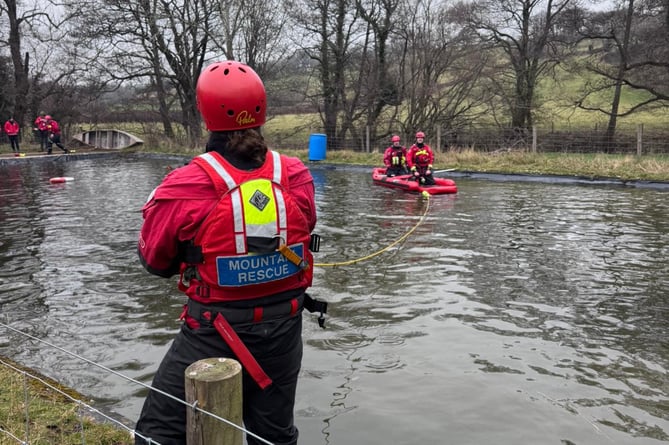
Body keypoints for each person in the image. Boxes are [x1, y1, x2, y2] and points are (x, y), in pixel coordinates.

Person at [134, 60, 323, 445]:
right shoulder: (296, 175)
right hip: (285, 329)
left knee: (157, 435)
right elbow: (305, 225)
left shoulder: (184, 185)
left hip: (212, 331)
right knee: (274, 435)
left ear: (205, 115)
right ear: (262, 110)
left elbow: (155, 262)